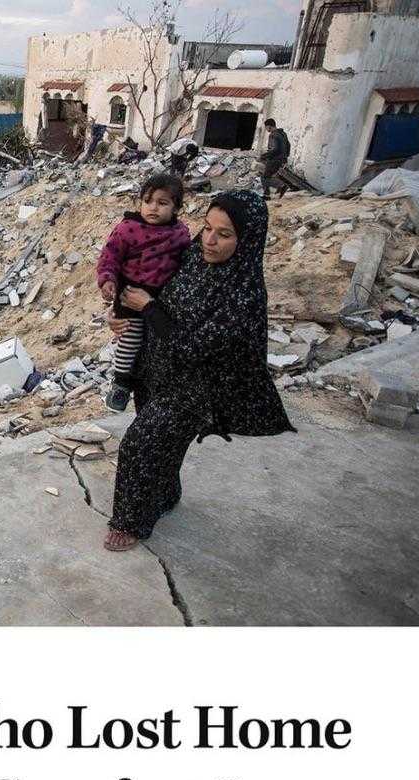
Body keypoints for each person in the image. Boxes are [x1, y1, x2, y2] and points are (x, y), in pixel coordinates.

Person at [102, 190, 295, 552]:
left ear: (247, 240)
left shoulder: (243, 292)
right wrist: (121, 308)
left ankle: (130, 522)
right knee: (165, 445)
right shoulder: (192, 256)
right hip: (156, 369)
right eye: (207, 228)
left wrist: (147, 308)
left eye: (224, 235)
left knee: (140, 444)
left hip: (195, 388)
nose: (209, 240)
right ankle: (166, 495)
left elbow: (195, 346)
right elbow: (148, 279)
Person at [96, 173, 192, 413]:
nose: (153, 208)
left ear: (176, 207)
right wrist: (107, 280)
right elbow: (109, 257)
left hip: (161, 299)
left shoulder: (180, 234)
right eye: (148, 201)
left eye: (162, 203)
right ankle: (121, 383)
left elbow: (187, 263)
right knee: (130, 337)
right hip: (130, 291)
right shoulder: (128, 229)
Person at [259, 119, 290, 199]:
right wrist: (285, 157)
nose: (266, 129)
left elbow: (274, 149)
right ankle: (267, 194)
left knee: (264, 177)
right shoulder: (283, 133)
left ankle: (281, 186)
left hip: (274, 159)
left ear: (269, 126)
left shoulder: (273, 135)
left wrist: (263, 156)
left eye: (266, 127)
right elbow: (288, 145)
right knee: (267, 176)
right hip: (281, 159)